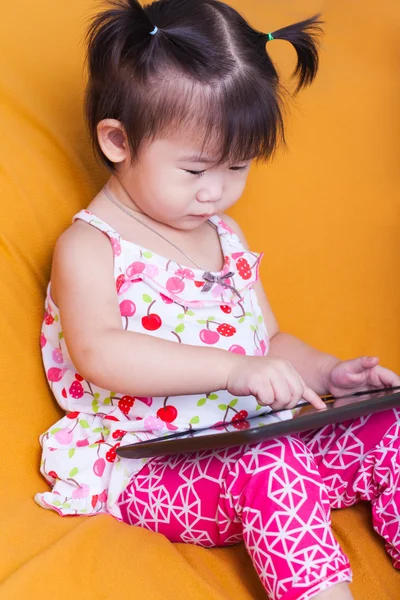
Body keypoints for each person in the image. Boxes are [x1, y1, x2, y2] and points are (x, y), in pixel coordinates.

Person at [35, 1, 400, 598]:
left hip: (257, 443)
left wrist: (331, 373)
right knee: (274, 464)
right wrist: (233, 370)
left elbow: (270, 341)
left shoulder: (225, 236)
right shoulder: (90, 246)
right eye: (196, 169)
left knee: (390, 427)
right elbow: (101, 352)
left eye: (238, 166)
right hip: (153, 468)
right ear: (118, 140)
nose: (218, 191)